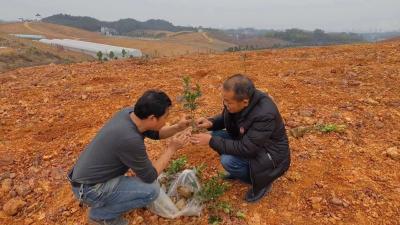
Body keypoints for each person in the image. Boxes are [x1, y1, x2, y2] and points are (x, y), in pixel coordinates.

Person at [67, 90, 191, 225]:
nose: (166, 120)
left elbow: (156, 133)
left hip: (86, 179)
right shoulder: (129, 138)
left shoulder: (130, 114)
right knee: (151, 190)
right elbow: (150, 176)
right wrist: (172, 148)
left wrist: (178, 127)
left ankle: (107, 201)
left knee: (145, 184)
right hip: (90, 189)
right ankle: (100, 216)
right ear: (152, 118)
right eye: (165, 117)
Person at [191, 74, 290, 202]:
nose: (225, 104)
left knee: (228, 160)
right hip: (251, 141)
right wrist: (212, 122)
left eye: (228, 102)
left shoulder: (265, 113)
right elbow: (229, 116)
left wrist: (211, 141)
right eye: (224, 101)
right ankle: (242, 171)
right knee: (215, 135)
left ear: (245, 102)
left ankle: (261, 182)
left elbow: (247, 149)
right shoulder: (238, 101)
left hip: (270, 155)